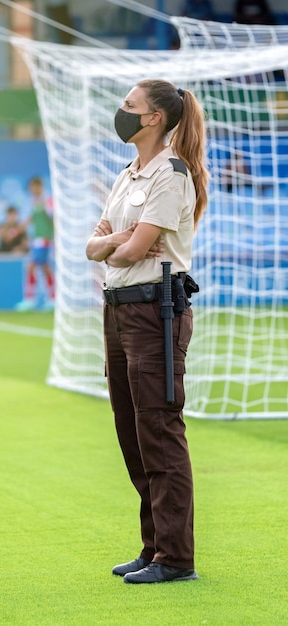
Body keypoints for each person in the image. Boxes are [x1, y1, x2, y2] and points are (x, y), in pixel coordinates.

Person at [86, 79, 208, 584]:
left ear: (154, 118)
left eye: (129, 106)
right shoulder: (127, 174)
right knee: (131, 431)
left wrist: (116, 243)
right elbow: (97, 247)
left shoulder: (171, 174)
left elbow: (133, 252)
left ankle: (176, 558)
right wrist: (120, 240)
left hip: (154, 310)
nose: (123, 112)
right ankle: (154, 546)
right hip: (117, 310)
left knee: (158, 429)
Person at [15, 177, 55, 311]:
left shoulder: (47, 200)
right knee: (45, 268)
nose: (32, 190)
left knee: (32, 265)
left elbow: (53, 219)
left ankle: (30, 299)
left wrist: (55, 238)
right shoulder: (35, 201)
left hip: (45, 239)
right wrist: (17, 230)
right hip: (37, 239)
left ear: (39, 186)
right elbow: (31, 219)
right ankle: (51, 298)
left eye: (33, 187)